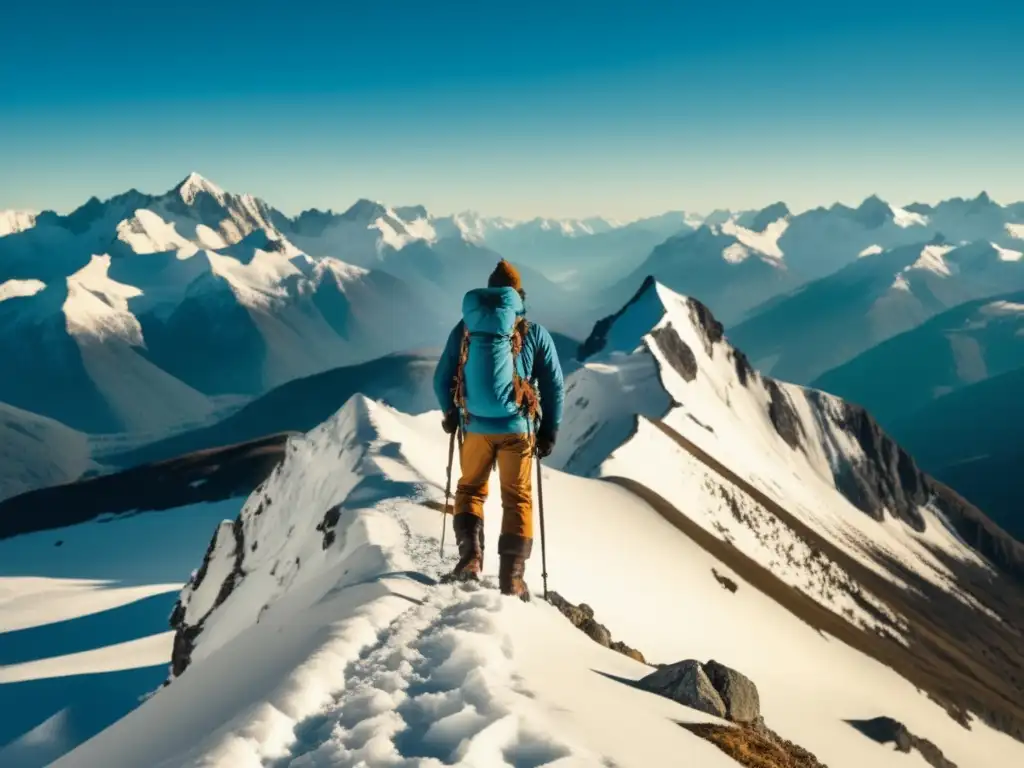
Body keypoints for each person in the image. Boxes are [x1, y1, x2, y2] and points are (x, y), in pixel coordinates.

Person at [432, 259, 564, 599]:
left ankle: (470, 560)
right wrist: (550, 429)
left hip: (474, 425)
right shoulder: (533, 332)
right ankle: (512, 578)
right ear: (518, 296)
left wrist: (450, 413)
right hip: (518, 429)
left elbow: (441, 377)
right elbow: (554, 385)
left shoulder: (465, 329)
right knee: (517, 499)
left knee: (471, 489)